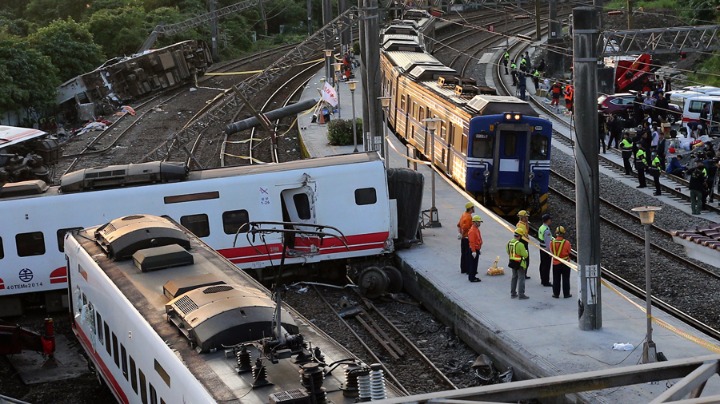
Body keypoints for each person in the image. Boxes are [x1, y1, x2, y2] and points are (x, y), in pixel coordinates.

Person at [550, 226, 572, 299]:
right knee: (566, 279)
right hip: (565, 263)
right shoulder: (567, 243)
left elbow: (552, 251)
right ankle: (566, 294)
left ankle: (556, 294)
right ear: (563, 233)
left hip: (555, 263)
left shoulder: (552, 242)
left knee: (556, 279)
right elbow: (569, 252)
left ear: (556, 233)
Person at [507, 228, 529, 300]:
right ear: (519, 236)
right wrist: (526, 251)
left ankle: (513, 293)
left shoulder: (509, 243)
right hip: (520, 264)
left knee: (514, 277)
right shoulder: (520, 245)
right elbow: (525, 255)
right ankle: (521, 295)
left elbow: (508, 252)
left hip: (512, 263)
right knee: (521, 278)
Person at [456, 202, 474, 274]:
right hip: (467, 238)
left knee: (463, 254)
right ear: (470, 209)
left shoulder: (463, 215)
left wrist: (460, 234)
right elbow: (465, 227)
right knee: (468, 254)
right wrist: (463, 234)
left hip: (463, 238)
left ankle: (463, 269)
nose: (473, 209)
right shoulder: (468, 217)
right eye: (473, 208)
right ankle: (468, 270)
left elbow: (458, 225)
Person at [537, 214, 553, 287]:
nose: (551, 221)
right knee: (546, 266)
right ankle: (546, 281)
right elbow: (548, 242)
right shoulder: (547, 230)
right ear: (547, 220)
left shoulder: (541, 227)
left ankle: (542, 279)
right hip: (546, 250)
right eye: (550, 219)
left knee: (542, 264)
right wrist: (550, 252)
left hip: (541, 248)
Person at [467, 215, 483, 283]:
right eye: (479, 222)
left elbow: (479, 239)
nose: (480, 223)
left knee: (474, 264)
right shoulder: (472, 231)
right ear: (475, 222)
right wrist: (473, 251)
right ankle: (472, 278)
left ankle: (473, 275)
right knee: (473, 264)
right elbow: (472, 242)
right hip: (474, 250)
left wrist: (479, 248)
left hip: (477, 249)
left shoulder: (476, 229)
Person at [516, 210, 531, 279]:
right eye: (526, 217)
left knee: (523, 259)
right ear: (522, 217)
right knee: (525, 260)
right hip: (523, 243)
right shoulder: (522, 226)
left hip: (522, 243)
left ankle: (522, 273)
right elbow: (524, 235)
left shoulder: (521, 224)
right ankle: (523, 274)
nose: (527, 218)